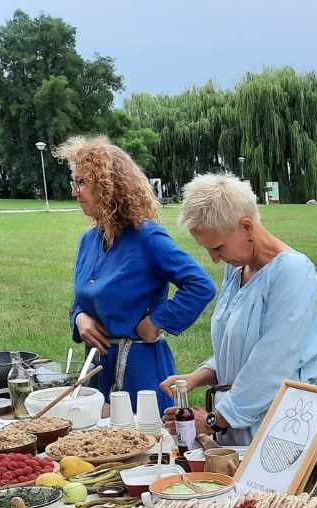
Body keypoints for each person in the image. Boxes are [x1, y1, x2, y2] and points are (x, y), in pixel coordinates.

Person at [161, 173, 317, 445]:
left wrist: (214, 420)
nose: (214, 259)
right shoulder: (236, 268)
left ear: (247, 227)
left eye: (218, 247)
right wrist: (197, 377)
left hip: (280, 434)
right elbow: (237, 347)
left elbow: (273, 364)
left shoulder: (293, 273)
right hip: (236, 429)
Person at [57, 136, 216, 411]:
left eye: (82, 182)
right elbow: (82, 299)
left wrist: (157, 320)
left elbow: (200, 284)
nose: (75, 191)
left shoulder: (147, 237)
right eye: (75, 182)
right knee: (96, 448)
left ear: (108, 186)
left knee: (146, 446)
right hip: (97, 370)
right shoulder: (88, 241)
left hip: (141, 373)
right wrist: (79, 318)